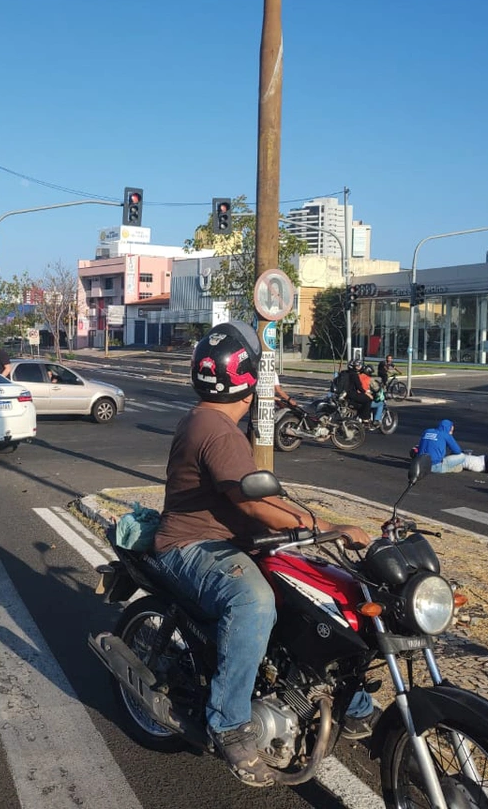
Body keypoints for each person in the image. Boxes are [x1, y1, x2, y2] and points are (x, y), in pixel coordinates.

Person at [154, 321, 373, 787]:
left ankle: (346, 700)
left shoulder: (209, 419)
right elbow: (254, 503)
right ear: (249, 381)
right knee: (253, 600)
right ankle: (229, 724)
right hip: (190, 544)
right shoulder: (218, 430)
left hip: (229, 541)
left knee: (322, 593)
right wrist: (325, 527)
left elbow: (261, 499)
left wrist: (308, 526)